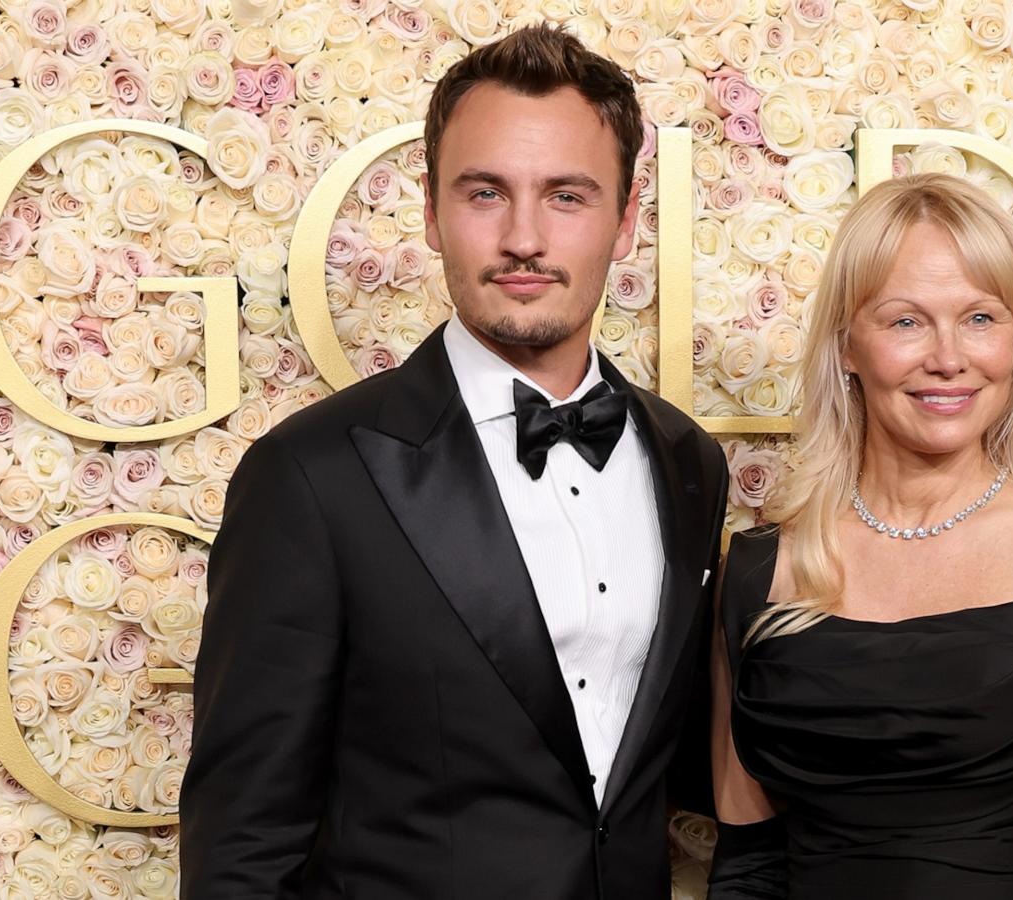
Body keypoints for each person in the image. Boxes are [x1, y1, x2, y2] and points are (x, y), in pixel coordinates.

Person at [181, 24, 728, 899]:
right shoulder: (310, 477)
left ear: (626, 224)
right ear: (432, 214)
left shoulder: (687, 461)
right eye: (484, 193)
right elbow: (243, 839)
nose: (523, 237)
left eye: (567, 196)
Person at [706, 173, 1013, 899]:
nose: (948, 357)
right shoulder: (758, 572)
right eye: (905, 321)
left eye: (981, 318)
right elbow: (747, 869)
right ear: (846, 345)